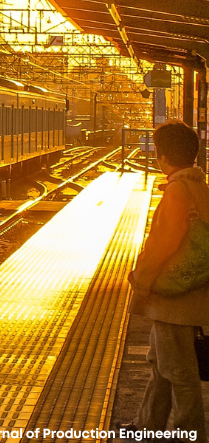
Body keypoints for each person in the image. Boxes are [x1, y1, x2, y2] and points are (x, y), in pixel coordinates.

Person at [128, 121, 209, 440]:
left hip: (173, 297)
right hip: (191, 289)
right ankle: (146, 426)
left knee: (178, 370)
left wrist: (141, 280)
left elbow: (162, 243)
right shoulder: (200, 185)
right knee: (161, 361)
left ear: (162, 157)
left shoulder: (177, 190)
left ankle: (192, 433)